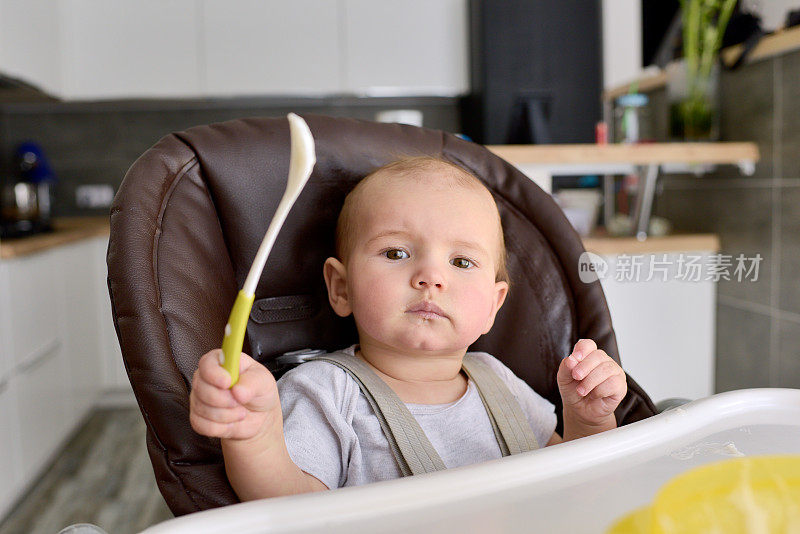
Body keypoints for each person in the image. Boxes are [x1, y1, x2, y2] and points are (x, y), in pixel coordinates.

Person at [189, 157, 628, 501]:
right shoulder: (325, 393)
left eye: (461, 262)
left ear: (493, 305)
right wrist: (253, 432)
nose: (431, 277)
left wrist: (589, 420)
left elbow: (576, 483)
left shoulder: (501, 383)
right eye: (396, 253)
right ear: (341, 288)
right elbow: (290, 506)